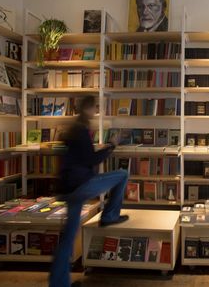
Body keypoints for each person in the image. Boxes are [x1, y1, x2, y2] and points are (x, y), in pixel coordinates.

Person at [49, 95, 129, 287]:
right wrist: (112, 145)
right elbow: (91, 160)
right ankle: (109, 216)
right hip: (82, 185)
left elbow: (77, 157)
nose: (96, 111)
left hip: (68, 187)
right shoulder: (81, 130)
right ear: (87, 109)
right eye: (94, 107)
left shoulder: (72, 129)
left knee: (68, 236)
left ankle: (59, 283)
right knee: (122, 174)